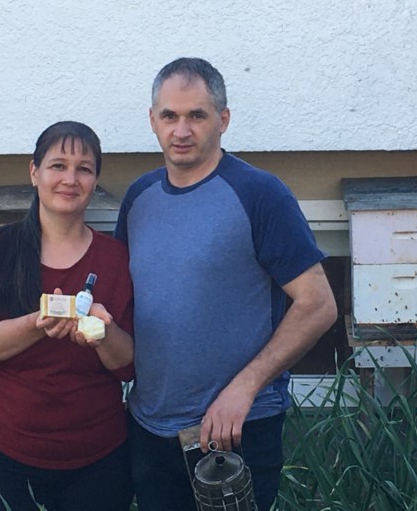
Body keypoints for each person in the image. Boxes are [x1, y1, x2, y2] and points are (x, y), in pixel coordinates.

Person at [114, 57, 339, 511]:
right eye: (169, 116)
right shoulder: (139, 198)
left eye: (197, 115)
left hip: (235, 430)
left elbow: (317, 304)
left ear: (223, 119)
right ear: (152, 121)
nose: (181, 130)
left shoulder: (259, 193)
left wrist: (244, 388)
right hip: (151, 429)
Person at [0, 121, 135, 511]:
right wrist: (36, 324)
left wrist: (105, 333)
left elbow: (128, 366)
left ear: (95, 179)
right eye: (58, 165)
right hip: (7, 457)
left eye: (84, 168)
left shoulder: (116, 258)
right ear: (34, 172)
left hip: (99, 460)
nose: (70, 179)